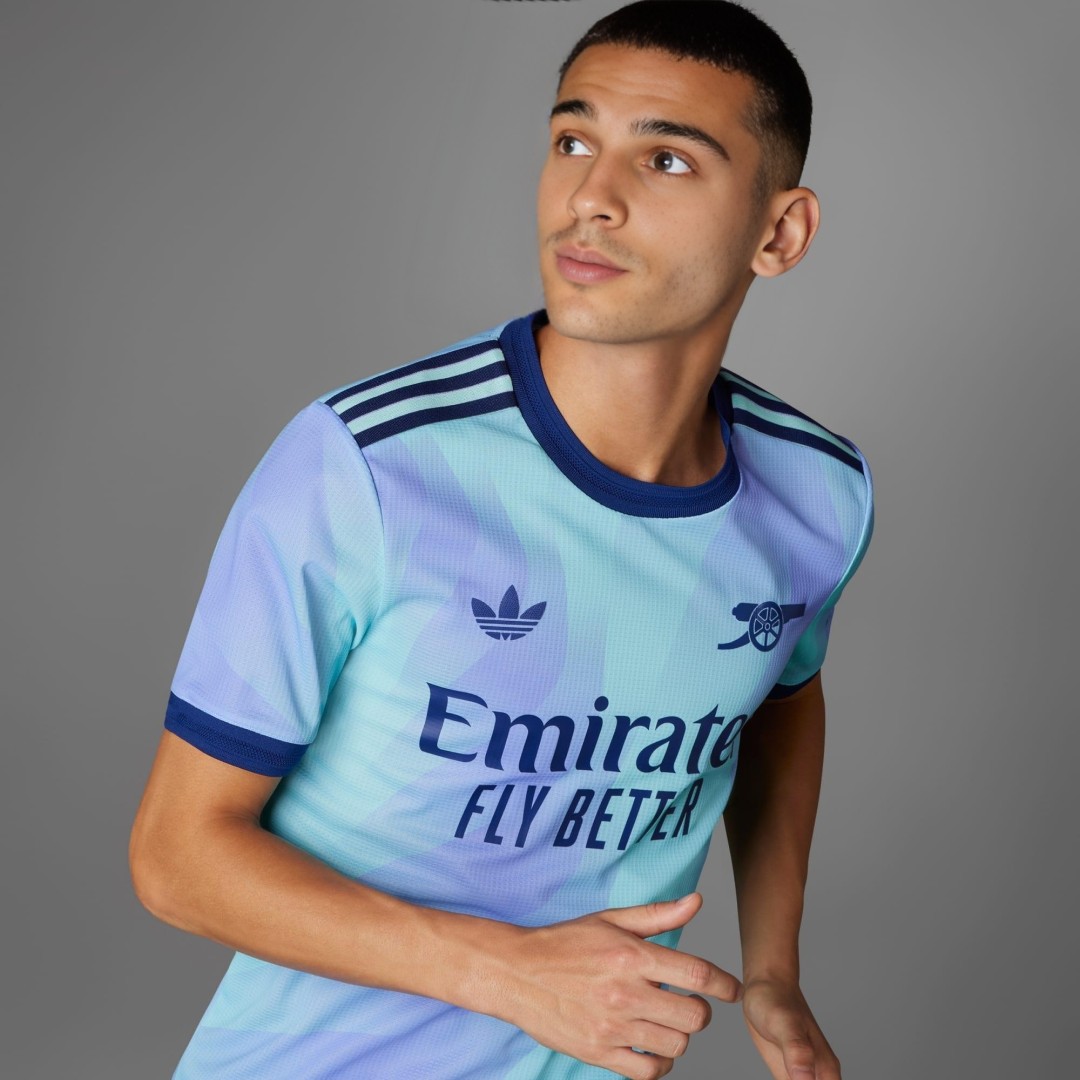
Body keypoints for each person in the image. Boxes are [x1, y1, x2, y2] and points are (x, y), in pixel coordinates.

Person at [129, 2, 872, 1077]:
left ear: (779, 233)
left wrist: (774, 969)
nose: (590, 197)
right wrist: (510, 974)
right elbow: (176, 859)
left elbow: (782, 696)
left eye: (665, 159)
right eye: (572, 141)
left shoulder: (819, 492)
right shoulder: (367, 466)